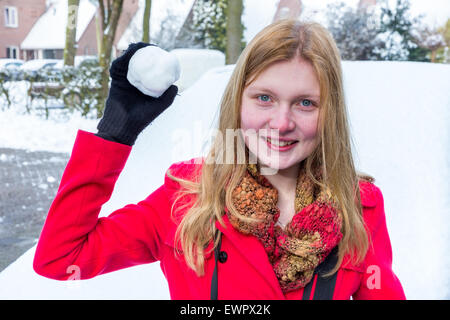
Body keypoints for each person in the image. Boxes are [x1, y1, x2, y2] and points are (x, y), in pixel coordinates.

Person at [33, 19, 406, 300]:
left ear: (330, 115)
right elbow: (61, 258)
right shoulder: (185, 198)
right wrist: (114, 135)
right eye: (264, 98)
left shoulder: (359, 208)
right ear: (238, 102)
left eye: (305, 103)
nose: (281, 123)